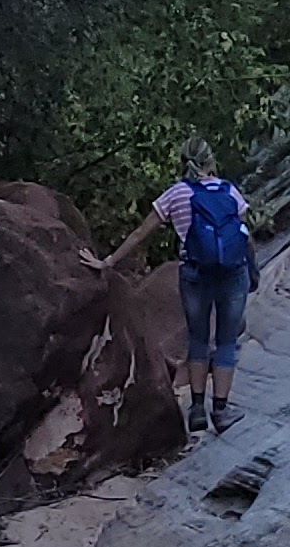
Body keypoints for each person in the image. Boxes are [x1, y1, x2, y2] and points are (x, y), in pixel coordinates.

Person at [110, 139, 257, 436]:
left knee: (199, 339)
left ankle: (197, 411)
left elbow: (141, 233)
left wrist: (108, 261)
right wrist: (252, 270)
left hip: (194, 274)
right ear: (211, 161)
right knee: (226, 342)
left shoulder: (176, 194)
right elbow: (245, 236)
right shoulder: (229, 190)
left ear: (183, 162)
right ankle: (221, 411)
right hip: (232, 273)